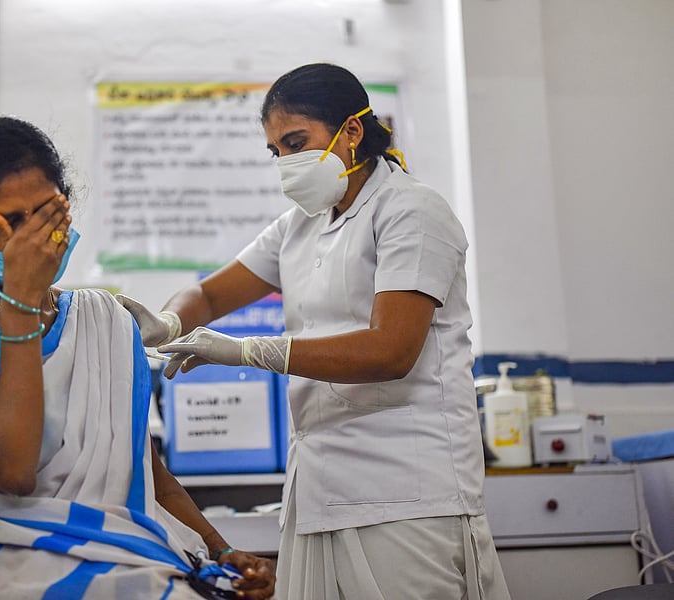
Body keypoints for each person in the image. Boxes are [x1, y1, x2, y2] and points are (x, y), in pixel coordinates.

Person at [117, 64, 511, 600]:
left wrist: (248, 351)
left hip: (408, 492)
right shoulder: (300, 225)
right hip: (320, 488)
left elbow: (391, 350)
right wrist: (168, 321)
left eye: (297, 142)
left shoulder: (412, 211)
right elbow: (209, 296)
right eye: (276, 150)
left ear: (352, 131)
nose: (286, 162)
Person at [0, 115, 275, 599]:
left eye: (48, 214)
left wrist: (222, 551)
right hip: (9, 571)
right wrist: (21, 306)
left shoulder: (102, 321)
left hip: (134, 560)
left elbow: (150, 477)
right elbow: (14, 471)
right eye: (12, 221)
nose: (35, 237)